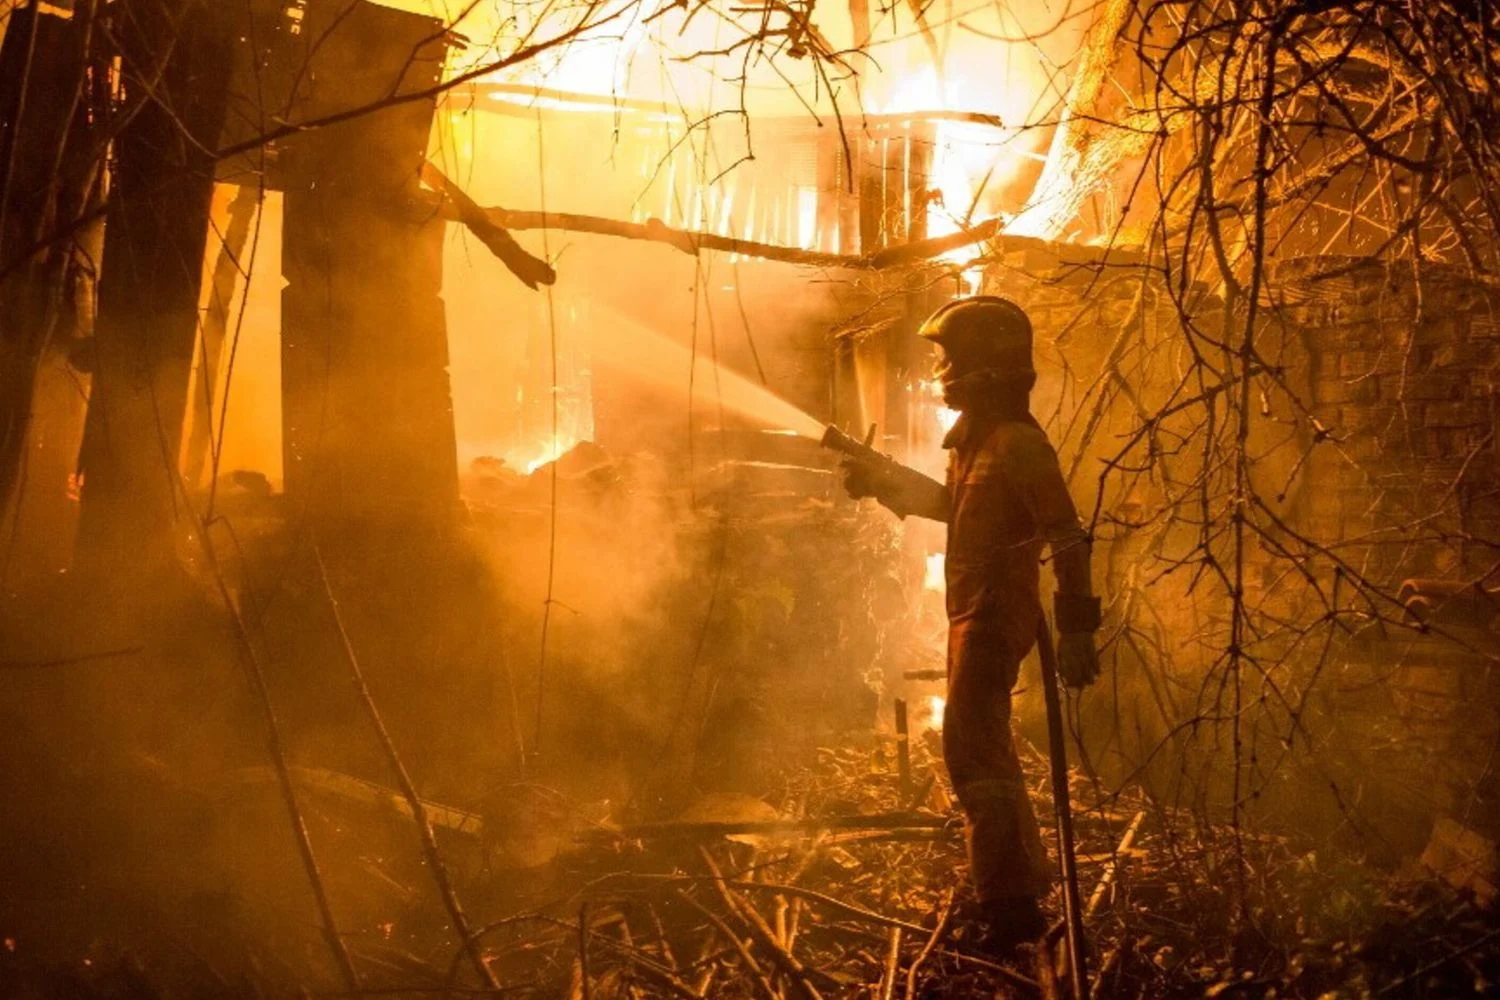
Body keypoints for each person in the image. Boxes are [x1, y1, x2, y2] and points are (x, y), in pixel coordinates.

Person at [842, 296, 1101, 950]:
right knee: (980, 748)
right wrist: (883, 481)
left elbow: (1067, 536)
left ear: (986, 367)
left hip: (995, 611)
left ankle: (1010, 910)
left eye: (949, 359)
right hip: (972, 609)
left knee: (972, 750)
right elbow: (954, 509)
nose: (940, 372)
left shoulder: (1018, 444)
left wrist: (1076, 628)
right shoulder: (976, 442)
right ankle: (1019, 883)